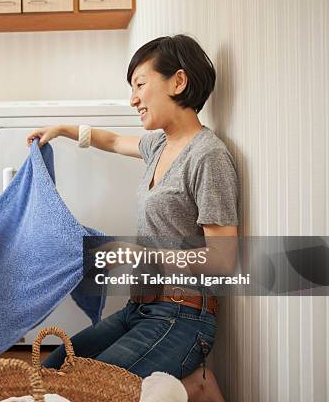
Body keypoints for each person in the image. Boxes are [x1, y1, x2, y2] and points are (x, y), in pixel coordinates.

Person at [27, 35, 237, 401]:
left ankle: (192, 387)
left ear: (178, 81)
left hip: (182, 317)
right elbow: (110, 141)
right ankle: (192, 388)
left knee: (85, 391)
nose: (133, 98)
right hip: (139, 308)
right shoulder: (158, 144)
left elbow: (222, 260)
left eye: (140, 84)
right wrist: (59, 129)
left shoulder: (208, 156)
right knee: (52, 372)